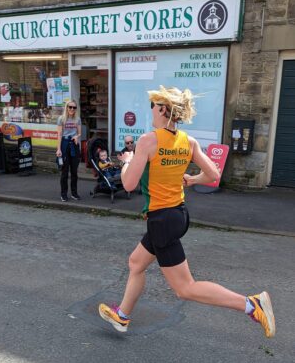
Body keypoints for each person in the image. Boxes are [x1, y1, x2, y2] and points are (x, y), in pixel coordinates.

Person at [99, 85, 275, 338]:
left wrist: (126, 163)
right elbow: (213, 174)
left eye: (152, 105)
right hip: (178, 215)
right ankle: (122, 316)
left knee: (185, 288)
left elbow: (128, 184)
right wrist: (192, 180)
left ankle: (251, 304)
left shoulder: (149, 140)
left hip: (162, 220)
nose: (151, 110)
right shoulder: (188, 141)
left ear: (162, 108)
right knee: (136, 262)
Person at [56, 100, 81, 202]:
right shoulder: (61, 119)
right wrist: (58, 149)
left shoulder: (77, 119)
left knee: (74, 172)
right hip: (64, 145)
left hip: (74, 145)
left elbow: (80, 133)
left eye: (74, 107)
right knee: (64, 172)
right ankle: (63, 194)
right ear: (66, 107)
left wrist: (76, 136)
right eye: (70, 107)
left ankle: (74, 193)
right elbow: (59, 135)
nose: (72, 109)